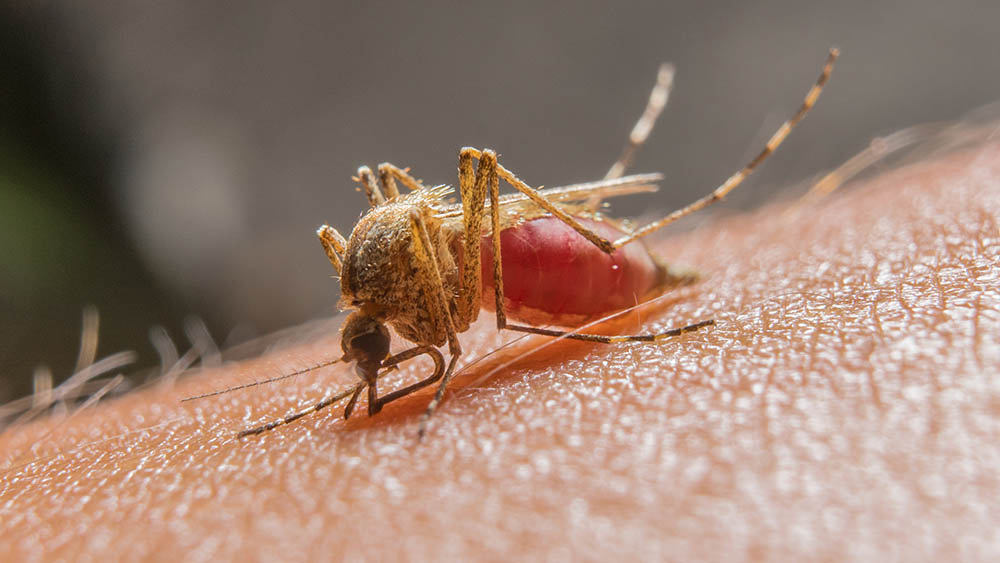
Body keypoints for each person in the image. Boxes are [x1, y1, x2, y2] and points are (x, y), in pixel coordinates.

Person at [2, 130, 998, 560]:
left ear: (373, 329)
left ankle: (632, 262)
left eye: (370, 359)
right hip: (473, 261)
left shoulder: (392, 283)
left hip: (528, 262)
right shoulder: (370, 288)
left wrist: (439, 362)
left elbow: (434, 236)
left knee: (470, 178)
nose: (369, 371)